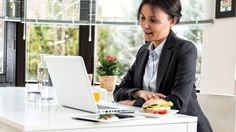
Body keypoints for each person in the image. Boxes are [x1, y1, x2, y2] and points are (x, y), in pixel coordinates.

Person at [113, 0, 213, 131]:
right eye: (143, 18)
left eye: (153, 20)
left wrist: (135, 102)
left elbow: (178, 103)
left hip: (185, 127)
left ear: (172, 21)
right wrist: (139, 93)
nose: (145, 25)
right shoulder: (143, 51)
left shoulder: (185, 49)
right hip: (154, 127)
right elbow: (119, 92)